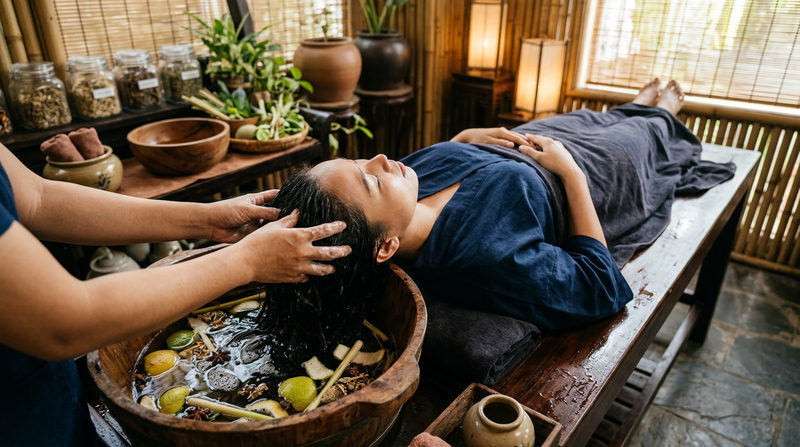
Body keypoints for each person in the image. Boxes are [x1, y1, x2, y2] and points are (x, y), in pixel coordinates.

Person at [264, 79, 736, 334]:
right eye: (370, 178)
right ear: (384, 247)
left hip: (529, 143)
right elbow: (600, 287)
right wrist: (572, 173)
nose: (385, 158)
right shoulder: (485, 257)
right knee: (640, 134)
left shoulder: (397, 191)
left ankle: (634, 106)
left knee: (591, 117)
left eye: (360, 158)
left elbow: (405, 170)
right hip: (584, 174)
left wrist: (459, 141)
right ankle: (659, 111)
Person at [0, 143, 353, 445]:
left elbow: (37, 197)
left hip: (52, 398)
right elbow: (62, 321)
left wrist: (206, 220)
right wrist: (246, 261)